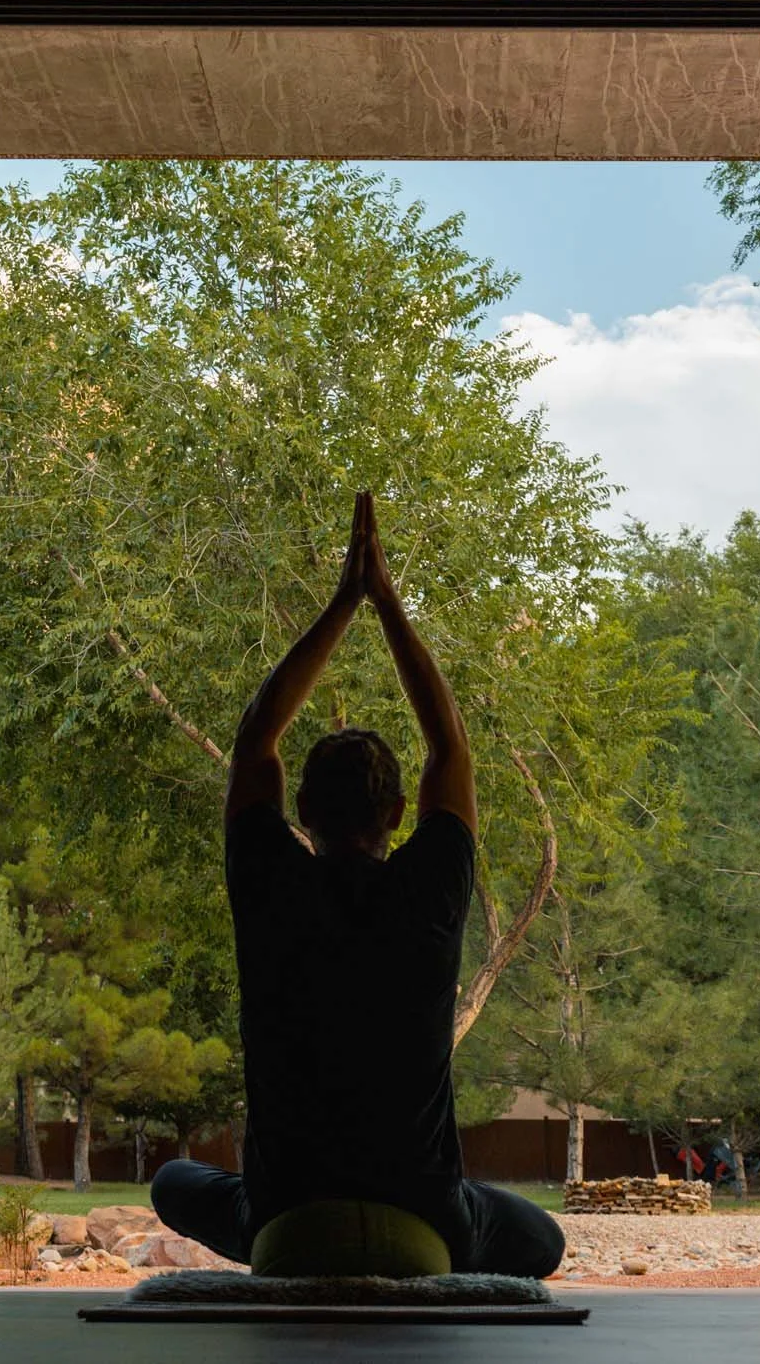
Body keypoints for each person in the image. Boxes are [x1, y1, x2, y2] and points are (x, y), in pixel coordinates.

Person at [150, 492, 565, 1279]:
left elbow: (254, 738)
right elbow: (451, 744)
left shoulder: (271, 883)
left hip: (285, 1207)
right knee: (541, 1240)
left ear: (300, 808)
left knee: (175, 1181)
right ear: (400, 813)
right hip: (427, 1205)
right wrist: (386, 603)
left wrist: (342, 604)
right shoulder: (431, 889)